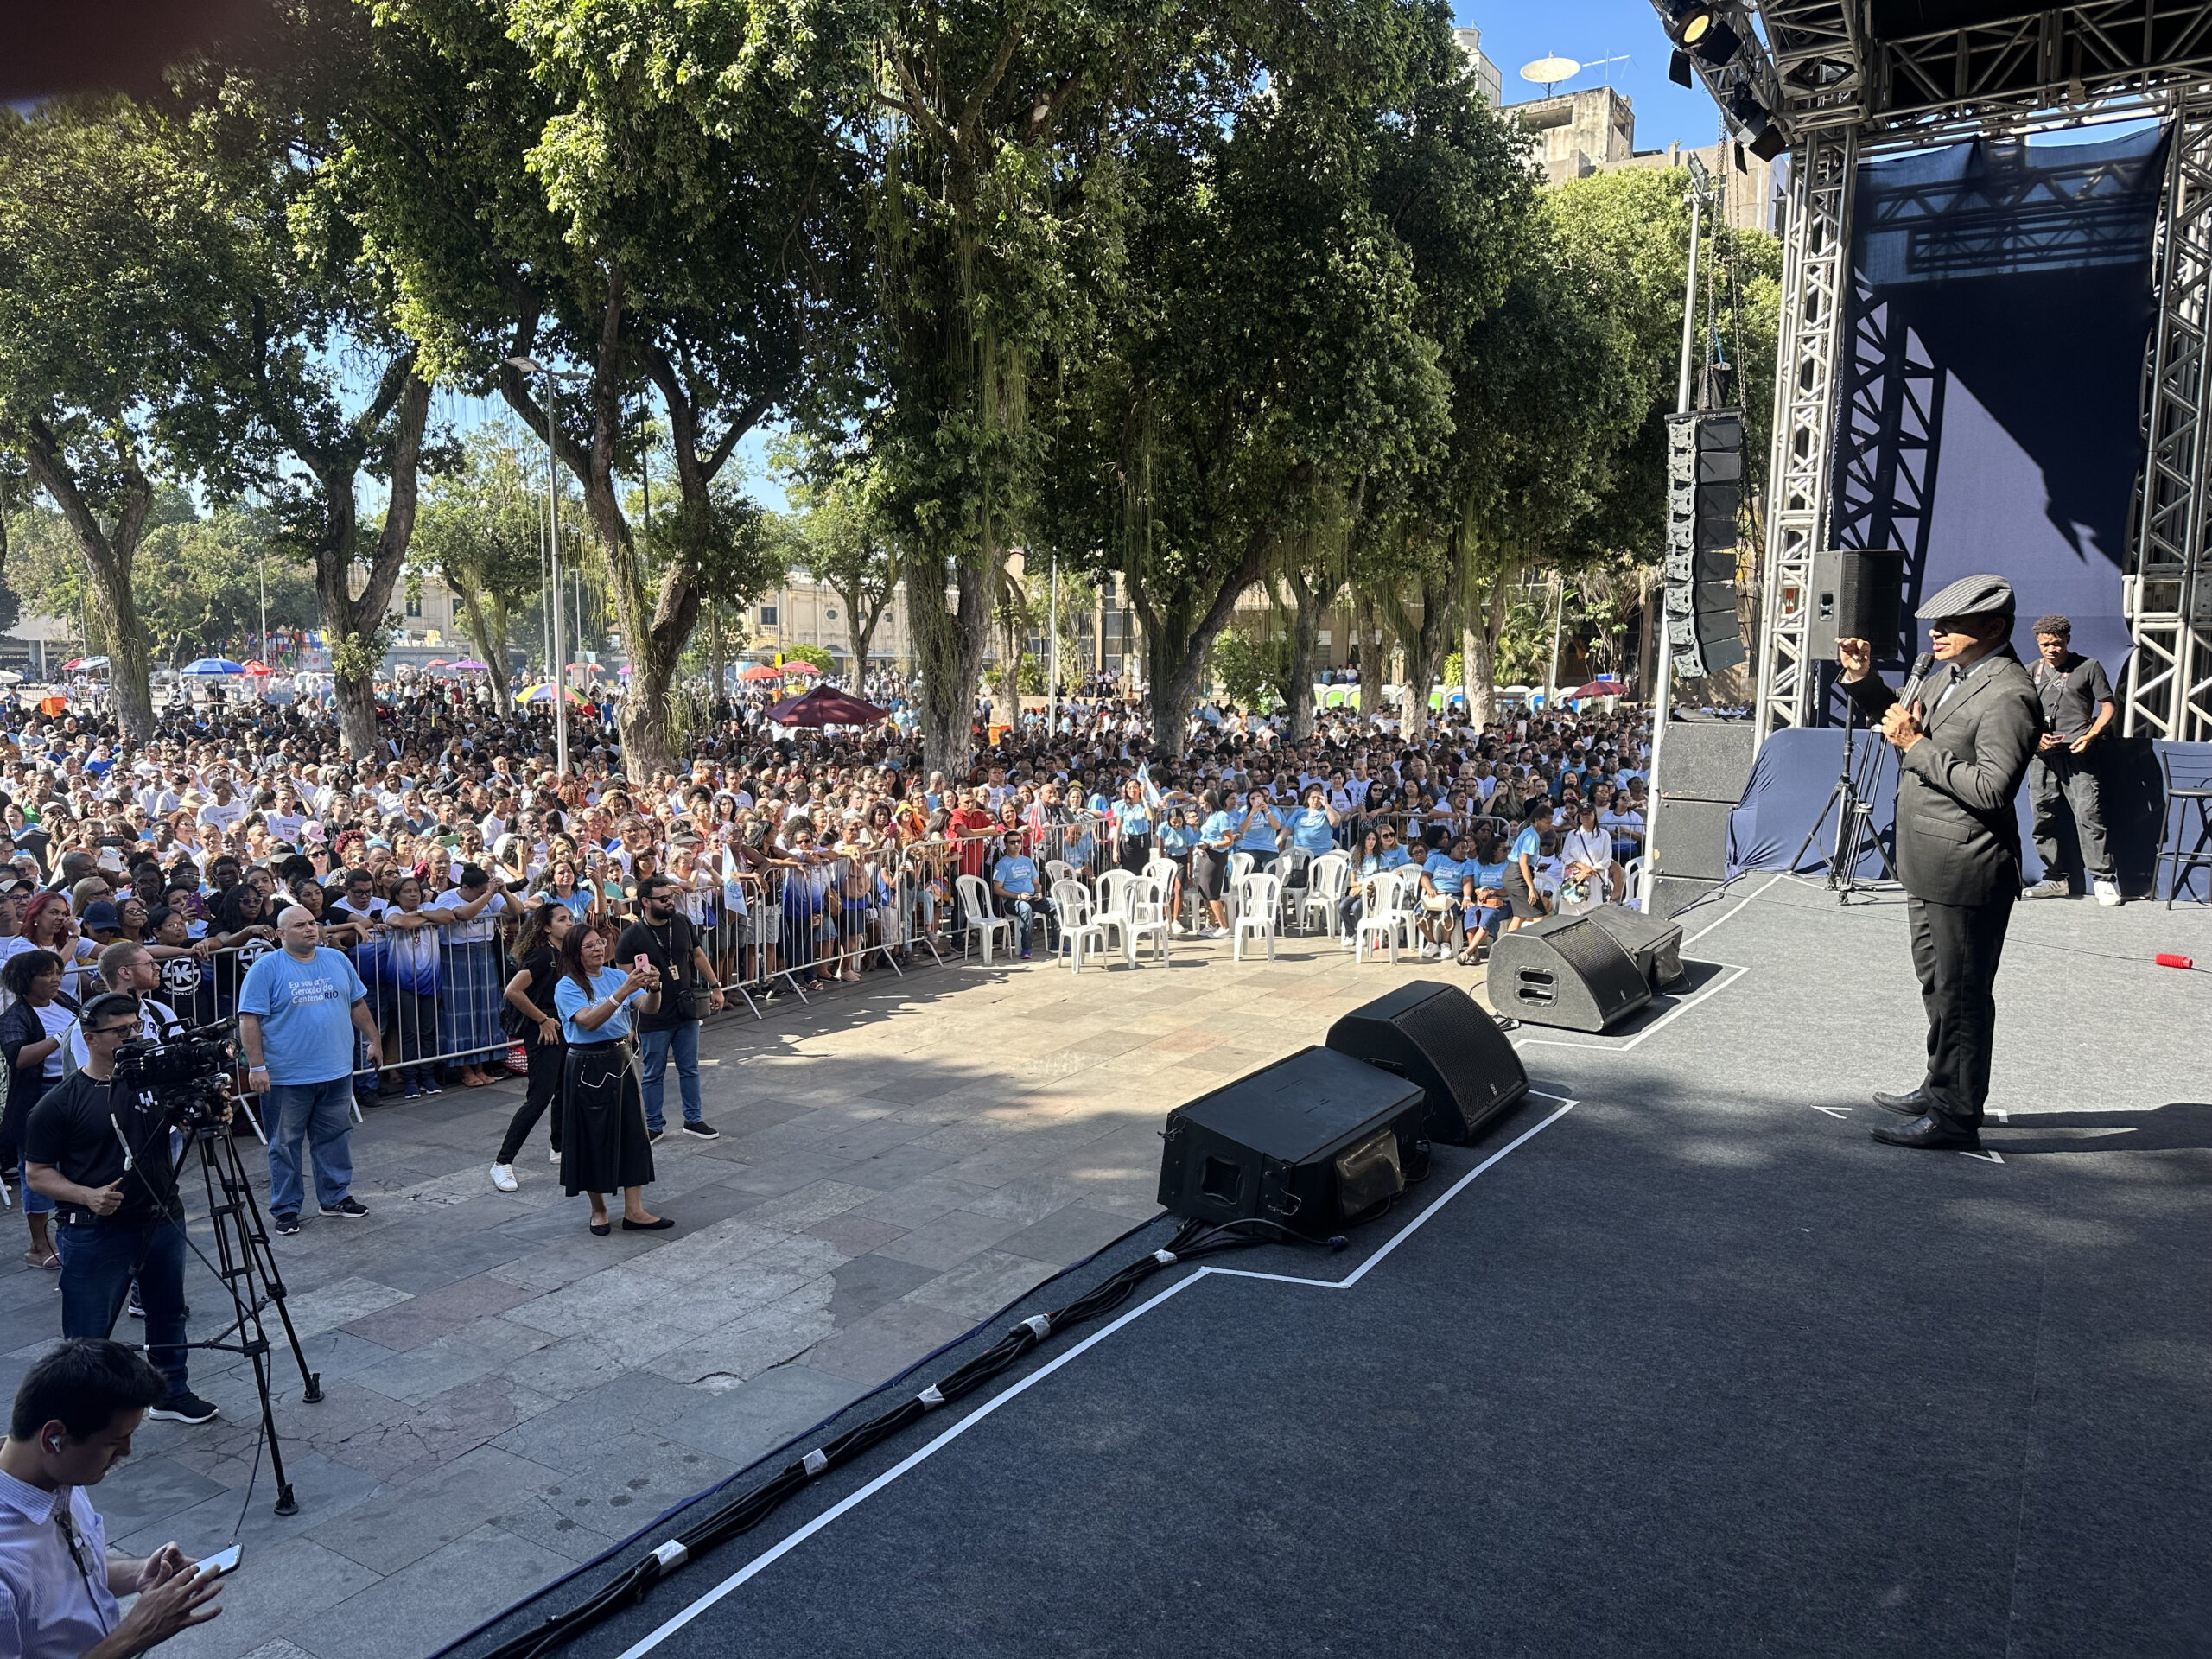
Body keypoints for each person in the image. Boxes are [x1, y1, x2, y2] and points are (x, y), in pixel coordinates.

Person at [1838, 574, 2041, 1152]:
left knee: (1963, 994)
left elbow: (1992, 789)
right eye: (1935, 622)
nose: (1936, 631)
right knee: (1939, 987)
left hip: (1967, 866)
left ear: (1994, 629)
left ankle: (1955, 1116)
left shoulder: (2010, 693)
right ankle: (1941, 1084)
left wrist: (1914, 747)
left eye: (1951, 624)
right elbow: (1907, 723)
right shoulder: (1942, 669)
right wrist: (1864, 681)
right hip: (1928, 858)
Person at [22, 995, 219, 1426]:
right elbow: (37, 1174)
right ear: (91, 1039)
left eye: (136, 1028)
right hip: (95, 1230)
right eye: (121, 1031)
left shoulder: (152, 1085)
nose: (133, 1037)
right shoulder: (59, 1102)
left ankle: (171, 1391)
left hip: (161, 1217)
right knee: (89, 1332)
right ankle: (82, 1411)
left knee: (168, 1311)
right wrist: (85, 1195)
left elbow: (183, 1123)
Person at [0, 1339, 226, 1658]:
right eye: (114, 1441)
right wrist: (134, 1635)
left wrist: (140, 1573)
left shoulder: (57, 1478)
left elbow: (63, 1574)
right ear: (54, 1438)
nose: (126, 1452)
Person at [236, 906, 385, 1236]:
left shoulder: (337, 960)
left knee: (334, 1137)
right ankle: (286, 1208)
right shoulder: (266, 969)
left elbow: (357, 1004)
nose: (309, 929)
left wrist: (373, 1040)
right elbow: (249, 1020)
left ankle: (335, 1197)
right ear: (280, 934)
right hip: (287, 1075)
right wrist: (256, 1066)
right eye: (299, 925)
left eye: (312, 923)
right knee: (284, 1143)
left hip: (335, 1069)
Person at [550, 925, 669, 1236]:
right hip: (587, 1062)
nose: (598, 949)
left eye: (600, 943)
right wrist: (623, 993)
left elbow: (649, 1009)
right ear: (575, 953)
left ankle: (635, 1210)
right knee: (592, 1136)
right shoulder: (568, 985)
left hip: (621, 1056)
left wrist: (655, 987)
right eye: (589, 946)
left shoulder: (617, 976)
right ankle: (599, 1209)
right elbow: (588, 1022)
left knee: (633, 1132)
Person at [614, 872, 724, 1142]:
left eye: (671, 896)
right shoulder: (631, 937)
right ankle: (653, 1124)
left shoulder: (681, 922)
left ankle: (694, 1119)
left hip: (686, 1008)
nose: (670, 902)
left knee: (690, 1067)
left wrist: (716, 986)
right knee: (653, 1072)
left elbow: (697, 954)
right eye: (663, 899)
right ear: (646, 902)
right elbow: (624, 981)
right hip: (654, 1014)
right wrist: (631, 1018)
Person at [2021, 613, 2120, 906]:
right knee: (2043, 816)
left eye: (2057, 643)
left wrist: (2091, 735)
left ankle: (2103, 880)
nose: (2051, 649)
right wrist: (2034, 735)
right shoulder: (2029, 672)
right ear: (2038, 643)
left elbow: (2108, 706)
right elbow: (2020, 711)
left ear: (2068, 640)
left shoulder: (2088, 667)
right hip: (2041, 756)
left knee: (2089, 814)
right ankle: (2055, 879)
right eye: (2045, 644)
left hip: (2079, 753)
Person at [490, 904, 573, 1192]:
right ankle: (502, 1163)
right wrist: (542, 1019)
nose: (570, 923)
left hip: (563, 1029)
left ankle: (559, 1148)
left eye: (571, 918)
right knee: (539, 1098)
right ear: (547, 927)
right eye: (563, 920)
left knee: (564, 1089)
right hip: (543, 1033)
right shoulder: (542, 955)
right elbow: (512, 991)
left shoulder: (565, 954)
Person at [0, 950, 72, 1273]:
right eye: (46, 974)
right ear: (26, 981)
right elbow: (19, 1057)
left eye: (57, 971)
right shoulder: (15, 1017)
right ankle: (39, 1244)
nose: (55, 978)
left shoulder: (66, 1002)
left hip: (72, 1090)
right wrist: (60, 1038)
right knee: (37, 1171)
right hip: (37, 1099)